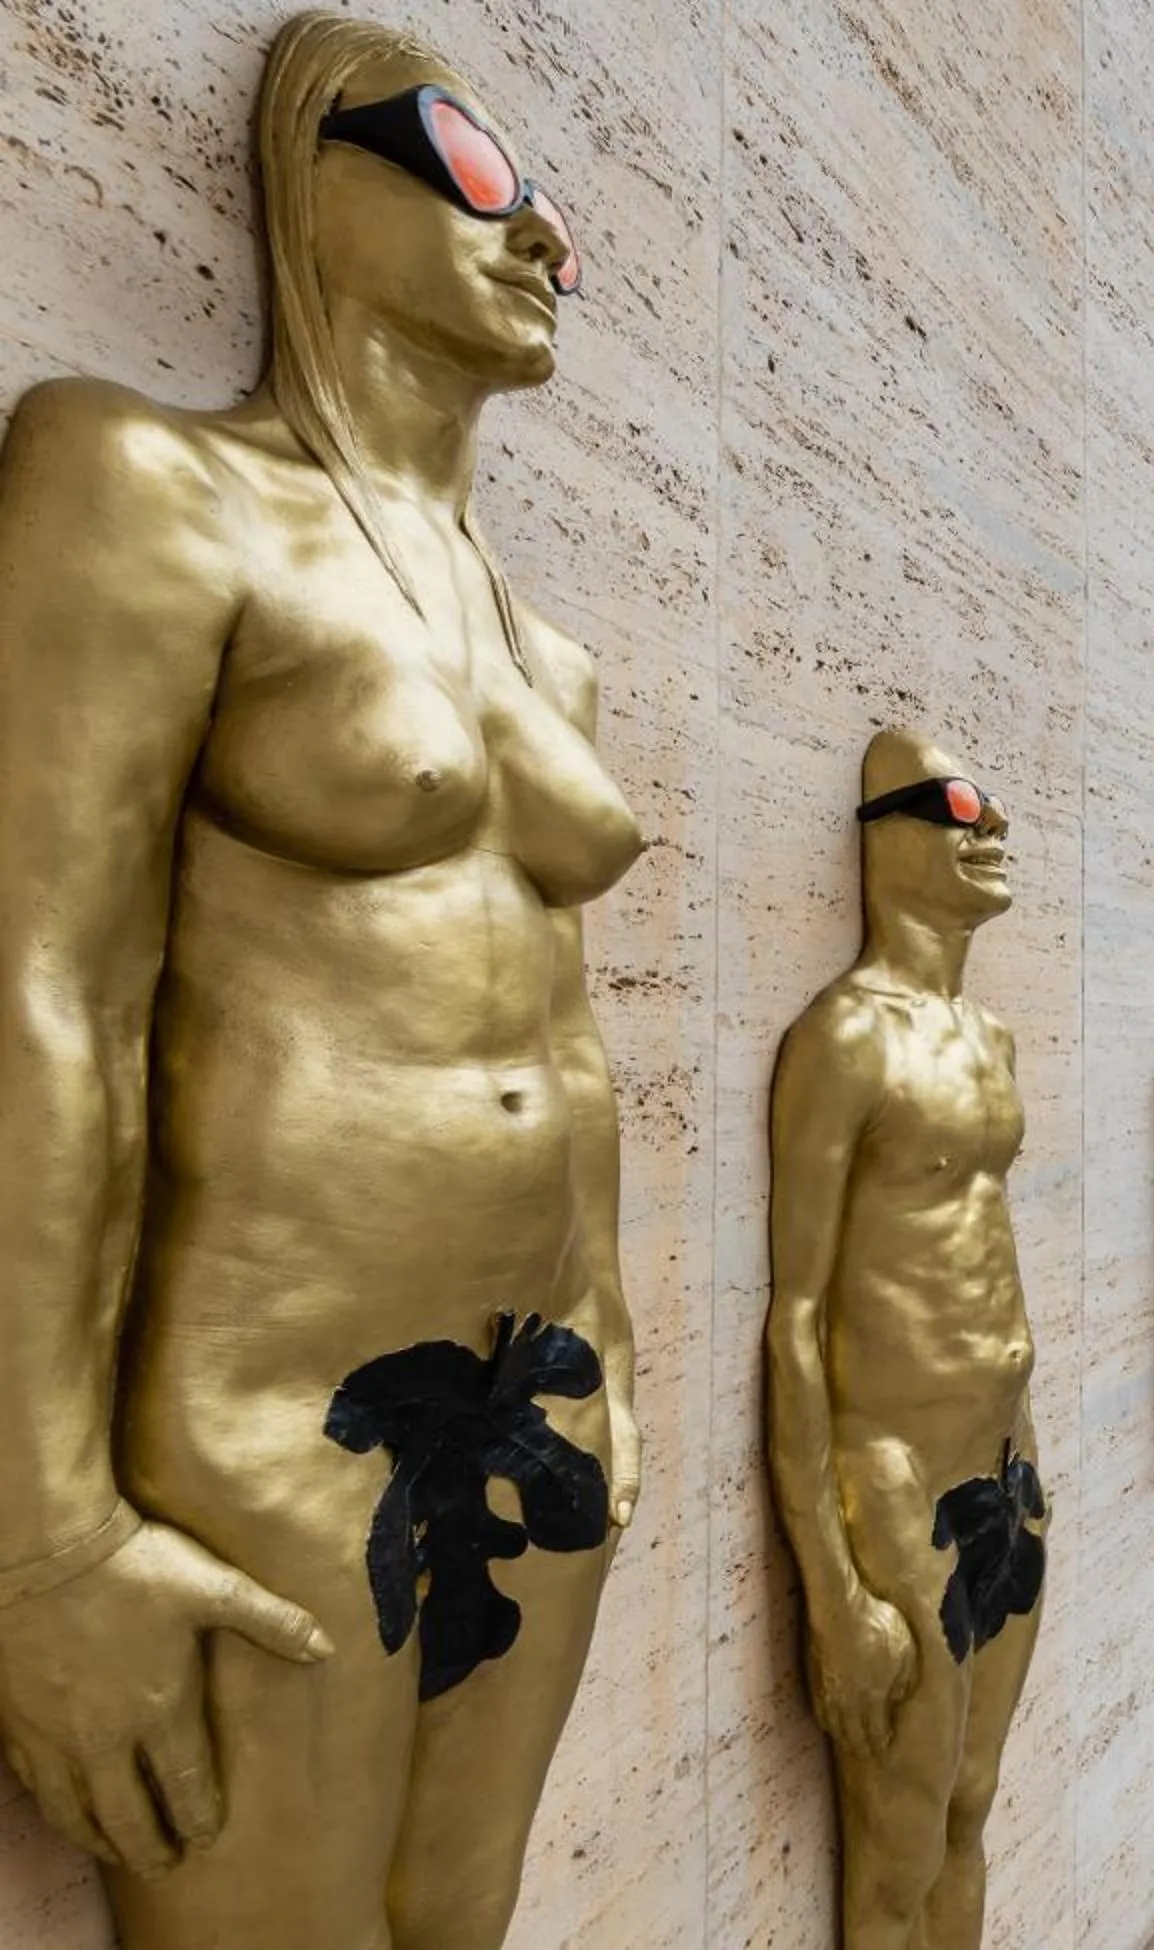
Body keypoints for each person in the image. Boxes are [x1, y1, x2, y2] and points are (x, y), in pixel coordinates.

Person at [0, 18, 642, 1945]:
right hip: (277, 1414)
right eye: (472, 162)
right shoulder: (151, 483)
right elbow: (46, 993)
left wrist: (617, 1355)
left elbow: (570, 1046)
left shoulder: (552, 652)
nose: (543, 236)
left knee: (465, 1924)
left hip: (553, 1393)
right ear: (315, 169)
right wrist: (41, 1532)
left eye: (552, 203)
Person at [768, 732, 1048, 1950]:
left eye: (996, 812)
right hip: (891, 1477)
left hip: (1009, 1469)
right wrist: (832, 1590)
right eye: (962, 808)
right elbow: (794, 1318)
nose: (992, 834)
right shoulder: (845, 1039)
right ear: (885, 835)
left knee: (976, 1801)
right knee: (899, 1842)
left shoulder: (992, 1044)